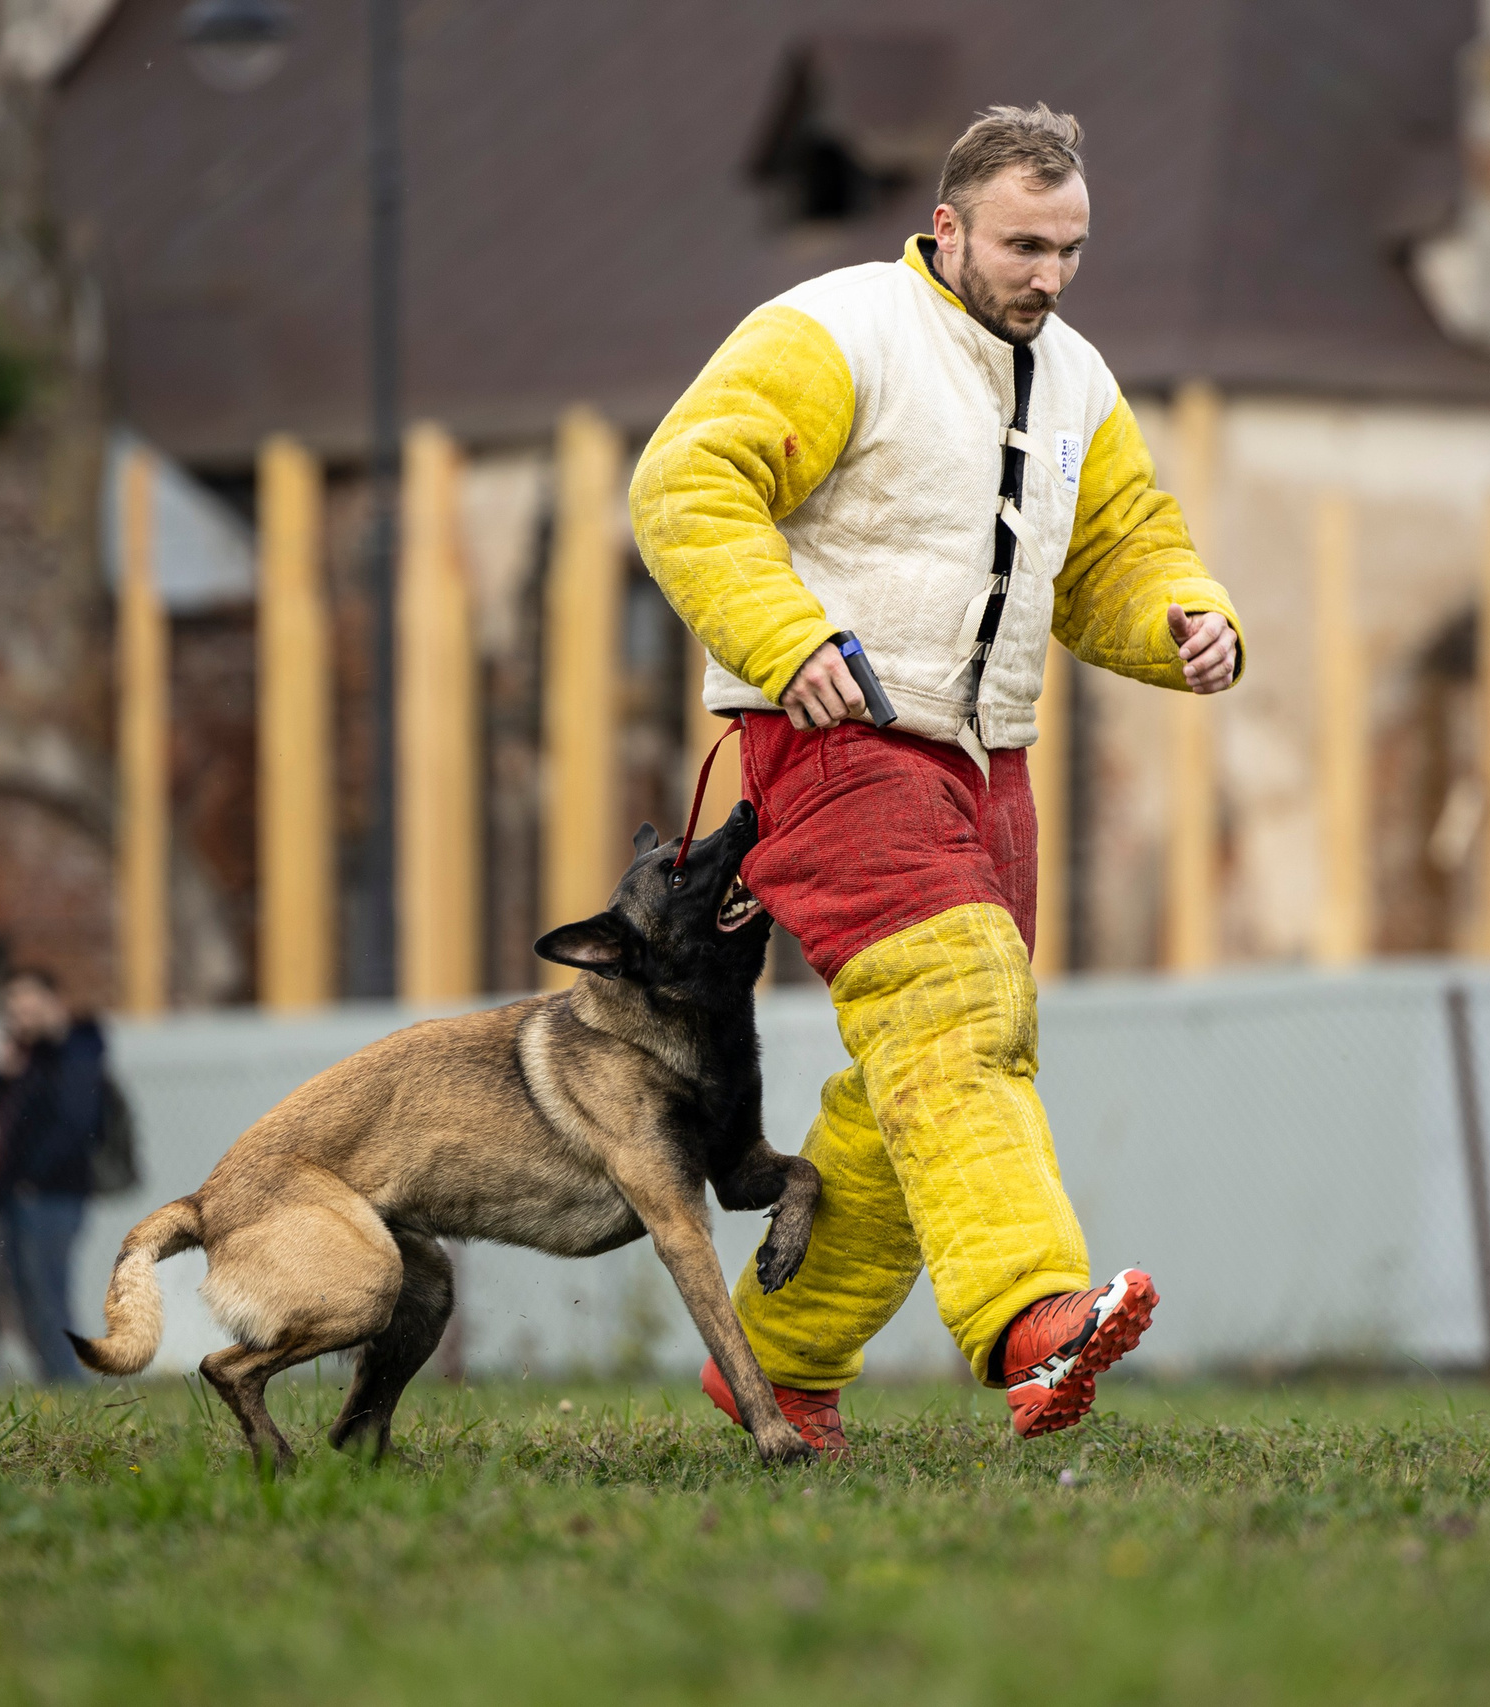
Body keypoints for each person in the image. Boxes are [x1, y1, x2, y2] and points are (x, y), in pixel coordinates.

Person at [632, 104, 1242, 1453]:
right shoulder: (837, 328)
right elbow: (685, 483)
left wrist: (1185, 617)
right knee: (956, 1006)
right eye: (1027, 246)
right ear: (949, 226)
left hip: (991, 762)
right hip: (834, 735)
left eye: (1073, 249)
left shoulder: (1079, 376)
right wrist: (788, 641)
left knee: (934, 1062)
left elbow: (1119, 555)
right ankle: (1038, 1319)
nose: (1051, 276)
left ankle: (776, 1362)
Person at [0, 966, 104, 1382]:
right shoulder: (26, 1057)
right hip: (20, 1194)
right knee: (25, 1295)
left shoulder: (77, 1048)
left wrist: (33, 1176)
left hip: (54, 1193)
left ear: (50, 1002)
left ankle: (70, 1385)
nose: (19, 1017)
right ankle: (53, 1382)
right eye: (12, 1009)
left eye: (27, 1005)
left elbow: (77, 1123)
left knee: (47, 1293)